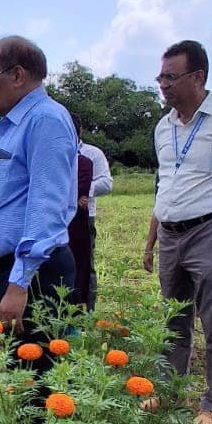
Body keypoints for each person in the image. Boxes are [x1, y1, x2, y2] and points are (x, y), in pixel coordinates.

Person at [0, 36, 77, 361]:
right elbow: (13, 204)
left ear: (17, 76)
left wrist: (18, 283)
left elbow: (46, 209)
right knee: (23, 372)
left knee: (37, 377)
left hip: (38, 274)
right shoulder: (16, 124)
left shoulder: (45, 120)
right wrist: (4, 273)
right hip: (21, 270)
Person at [144, 40, 212, 424]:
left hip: (211, 230)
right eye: (160, 77)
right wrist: (151, 237)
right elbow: (164, 186)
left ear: (198, 77)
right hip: (171, 236)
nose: (163, 85)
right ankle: (170, 389)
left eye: (171, 77)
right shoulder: (163, 127)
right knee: (174, 318)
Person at [78, 133, 113, 310]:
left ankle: (88, 311)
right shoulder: (54, 150)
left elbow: (106, 184)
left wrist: (82, 190)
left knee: (85, 264)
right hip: (57, 216)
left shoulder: (92, 153)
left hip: (84, 214)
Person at [67, 114, 93, 307]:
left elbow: (79, 192)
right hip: (50, 227)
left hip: (75, 227)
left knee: (77, 276)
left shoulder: (84, 162)